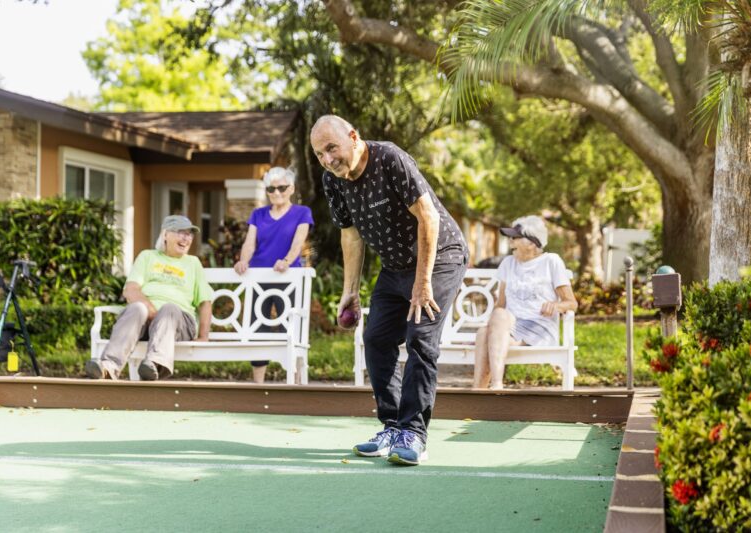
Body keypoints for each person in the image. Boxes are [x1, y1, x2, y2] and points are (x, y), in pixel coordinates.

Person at [310, 115, 468, 466]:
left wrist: (423, 283)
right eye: (320, 153)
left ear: (353, 136)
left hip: (439, 256)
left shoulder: (390, 159)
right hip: (395, 266)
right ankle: (393, 424)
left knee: (420, 338)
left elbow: (428, 216)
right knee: (378, 338)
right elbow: (349, 234)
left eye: (332, 147)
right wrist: (350, 290)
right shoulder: (333, 180)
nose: (327, 159)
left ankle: (414, 433)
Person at [85, 215, 213, 381]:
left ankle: (154, 364)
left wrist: (204, 336)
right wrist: (151, 312)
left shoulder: (193, 263)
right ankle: (108, 367)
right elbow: (131, 290)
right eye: (180, 232)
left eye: (189, 234)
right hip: (146, 322)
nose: (186, 238)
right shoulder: (148, 256)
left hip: (178, 323)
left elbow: (205, 302)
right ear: (165, 234)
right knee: (137, 307)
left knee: (169, 308)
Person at [473, 216, 578, 390]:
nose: (510, 241)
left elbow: (571, 303)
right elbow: (501, 304)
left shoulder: (551, 261)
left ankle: (495, 386)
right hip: (510, 328)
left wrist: (556, 305)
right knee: (483, 333)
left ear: (532, 242)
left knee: (489, 331)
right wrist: (494, 329)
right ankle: (479, 394)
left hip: (538, 329)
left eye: (515, 237)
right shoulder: (508, 263)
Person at [233, 167, 314, 383]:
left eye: (281, 188)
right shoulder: (257, 214)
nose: (276, 192)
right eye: (271, 188)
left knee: (291, 327)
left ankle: (295, 381)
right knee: (257, 328)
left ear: (291, 189)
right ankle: (258, 386)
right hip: (259, 278)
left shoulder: (302, 212)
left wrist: (287, 261)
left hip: (288, 278)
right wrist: (243, 261)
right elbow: (250, 242)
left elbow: (298, 241)